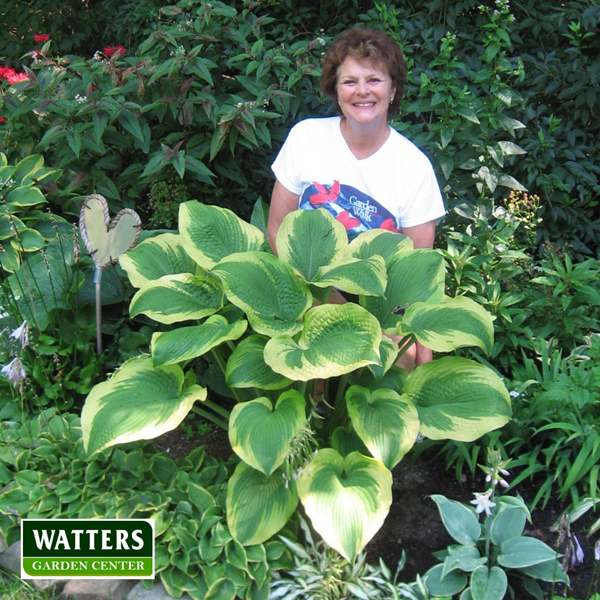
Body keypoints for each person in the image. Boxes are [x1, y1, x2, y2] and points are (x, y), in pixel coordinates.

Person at [266, 26, 446, 370]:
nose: (362, 91)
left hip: (380, 305)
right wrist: (325, 298)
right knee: (310, 375)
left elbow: (414, 277)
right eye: (350, 81)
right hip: (305, 288)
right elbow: (276, 230)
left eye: (374, 80)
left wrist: (415, 349)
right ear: (335, 90)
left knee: (401, 365)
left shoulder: (414, 168)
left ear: (393, 90)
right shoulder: (305, 139)